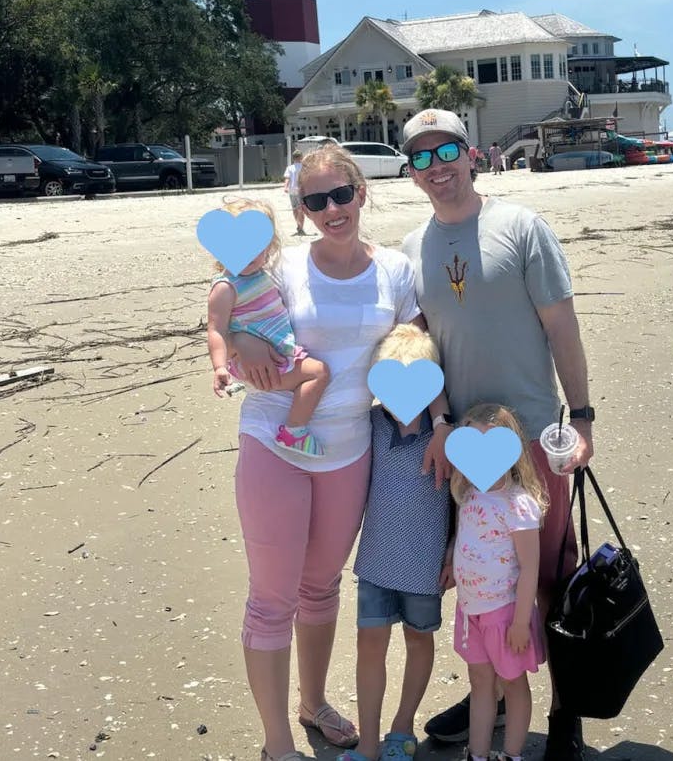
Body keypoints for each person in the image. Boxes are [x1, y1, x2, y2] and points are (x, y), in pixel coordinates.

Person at [226, 144, 453, 761]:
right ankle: (278, 744)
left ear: (361, 192)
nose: (332, 209)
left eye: (341, 195)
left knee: (320, 586)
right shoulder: (286, 271)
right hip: (275, 436)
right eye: (316, 200)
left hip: (350, 446)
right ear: (300, 209)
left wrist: (439, 421)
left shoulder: (396, 272)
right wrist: (239, 354)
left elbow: (416, 350)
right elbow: (231, 311)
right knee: (272, 598)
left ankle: (312, 702)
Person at [399, 108, 595, 760]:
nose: (437, 168)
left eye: (446, 151)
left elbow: (562, 327)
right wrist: (437, 423)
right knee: (479, 575)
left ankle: (564, 709)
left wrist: (583, 417)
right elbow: (417, 349)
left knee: (546, 576)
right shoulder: (411, 248)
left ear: (471, 153)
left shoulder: (521, 227)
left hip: (532, 436)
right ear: (411, 172)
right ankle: (488, 681)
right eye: (421, 158)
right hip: (461, 449)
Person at [341, 323, 452, 761]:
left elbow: (463, 499)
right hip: (375, 562)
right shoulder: (369, 423)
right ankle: (367, 743)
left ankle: (402, 728)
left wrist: (453, 550)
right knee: (369, 645)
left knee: (419, 641)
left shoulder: (445, 435)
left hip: (425, 565)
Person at [449, 403, 548, 761]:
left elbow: (530, 568)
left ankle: (512, 754)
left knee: (513, 684)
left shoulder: (519, 504)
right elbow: (467, 538)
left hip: (505, 614)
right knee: (479, 683)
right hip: (470, 608)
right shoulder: (469, 492)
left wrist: (522, 622)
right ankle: (477, 753)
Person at [206, 197, 330, 461]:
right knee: (318, 373)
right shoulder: (226, 287)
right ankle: (294, 431)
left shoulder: (262, 275)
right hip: (268, 366)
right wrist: (219, 367)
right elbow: (216, 330)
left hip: (276, 354)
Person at [284, 150, 308, 236]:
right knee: (301, 209)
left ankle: (298, 225)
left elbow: (287, 178)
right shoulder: (304, 167)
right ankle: (301, 227)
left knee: (295, 209)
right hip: (301, 190)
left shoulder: (289, 168)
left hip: (292, 191)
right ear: (301, 157)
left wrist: (285, 187)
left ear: (293, 158)